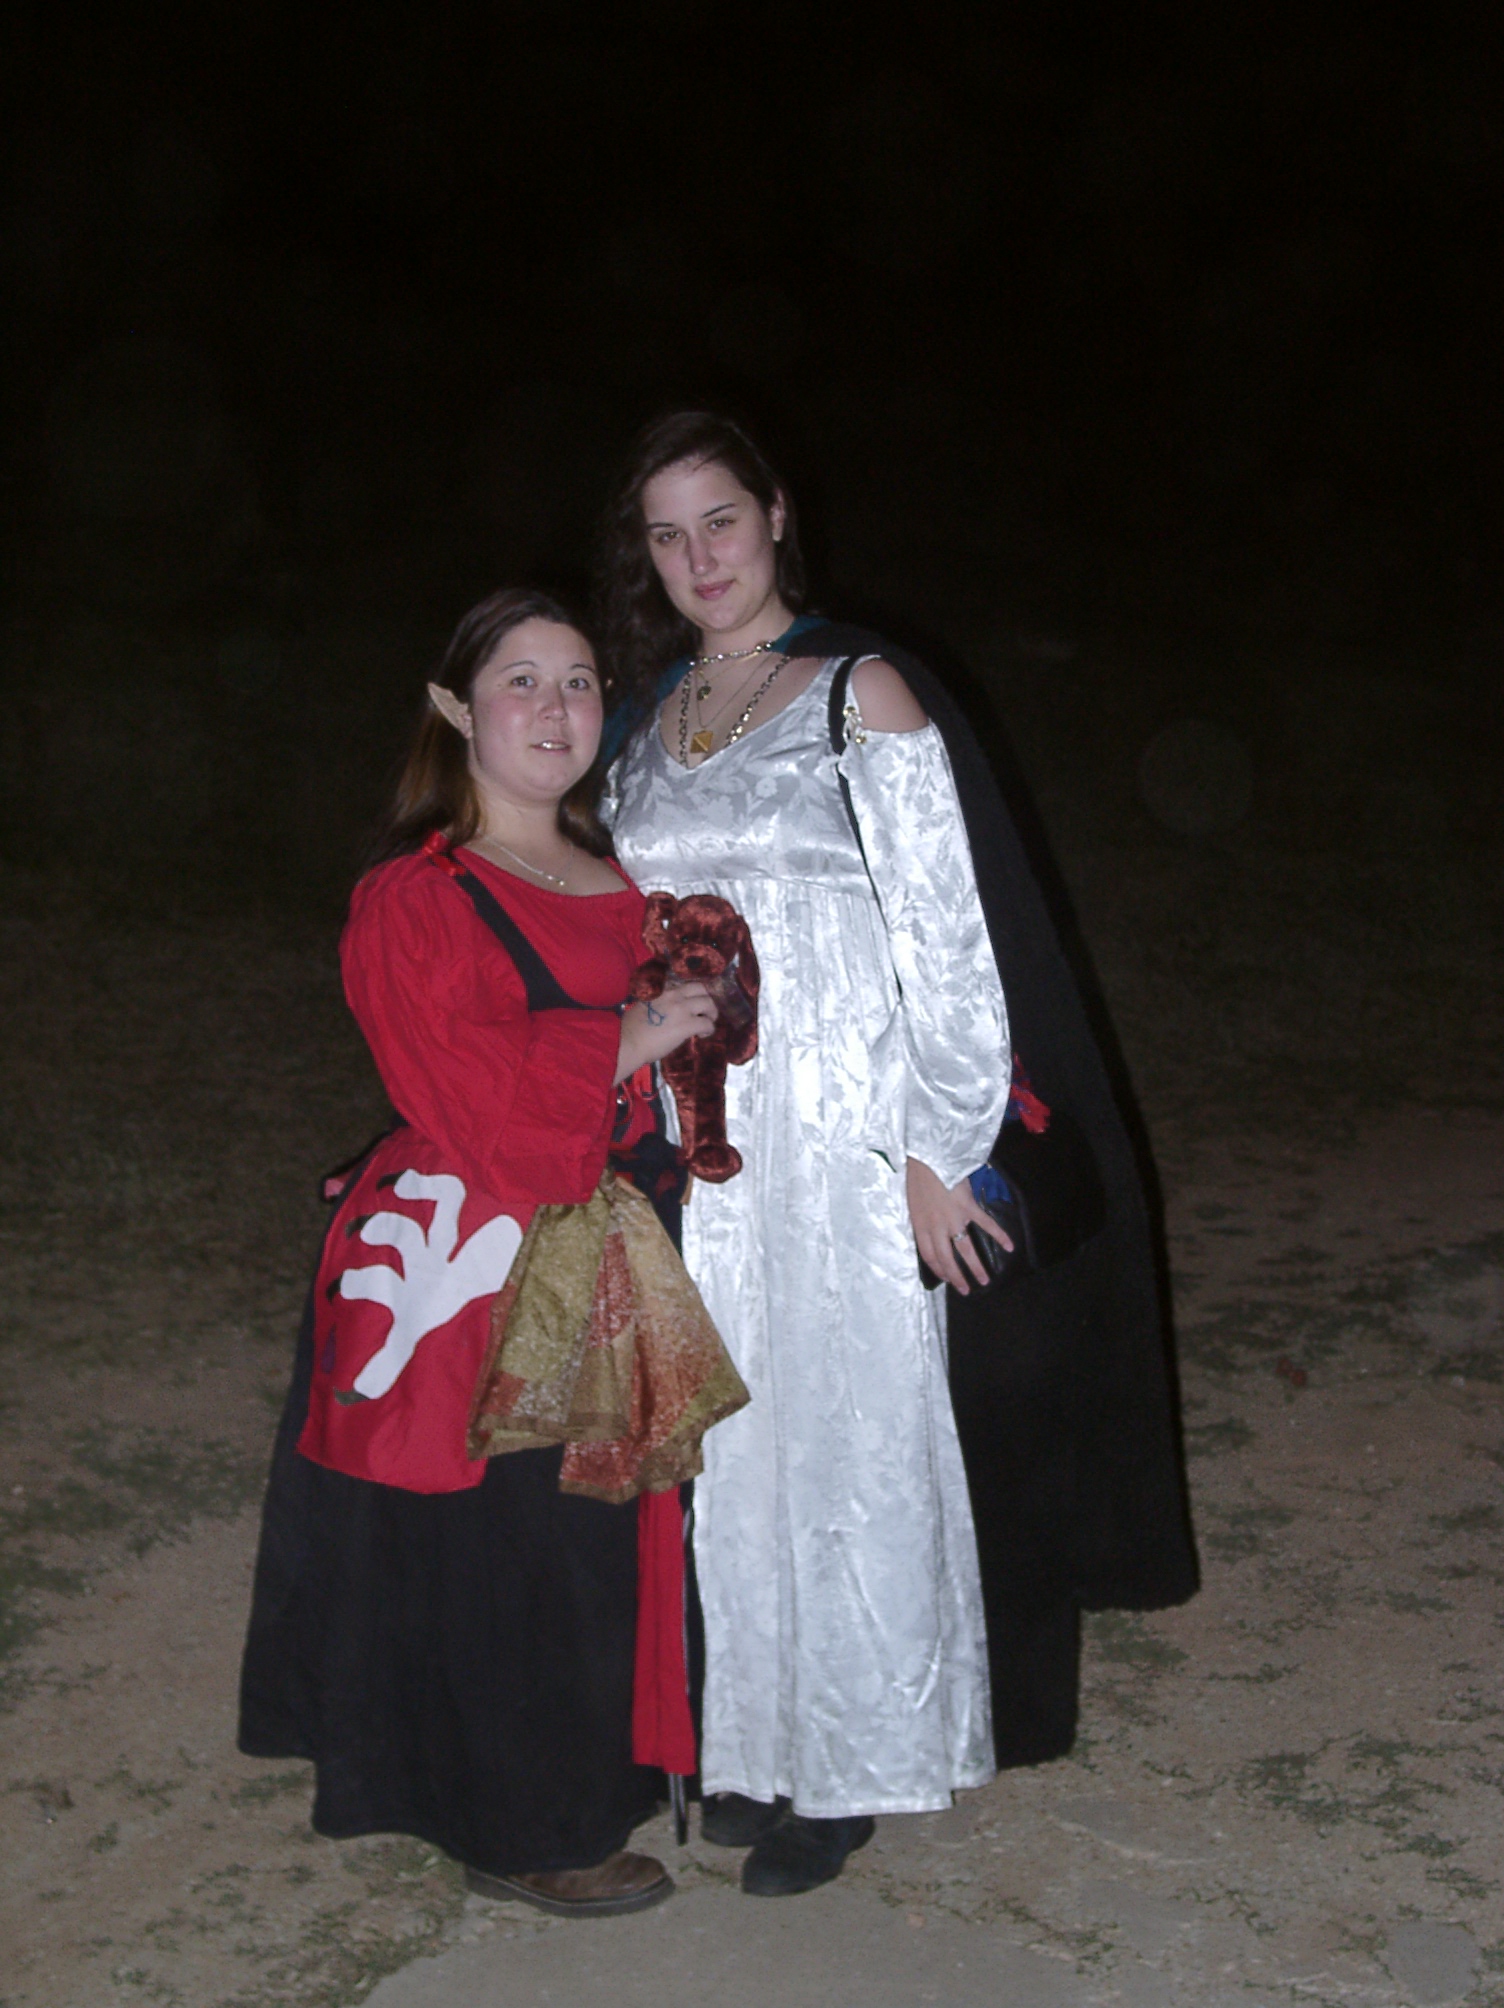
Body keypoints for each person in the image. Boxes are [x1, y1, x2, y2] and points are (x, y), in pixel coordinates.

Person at [597, 411, 1198, 1898]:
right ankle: (751, 1740)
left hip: (852, 1142)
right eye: (668, 535)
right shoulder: (652, 722)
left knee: (853, 1449)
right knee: (732, 1448)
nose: (699, 558)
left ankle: (855, 1760)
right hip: (707, 1150)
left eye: (720, 521)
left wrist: (942, 1152)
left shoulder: (859, 694)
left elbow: (950, 937)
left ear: (776, 515)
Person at [238, 589, 724, 1917]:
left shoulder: (633, 876)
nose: (557, 709)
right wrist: (624, 1040)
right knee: (525, 1547)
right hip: (488, 1264)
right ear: (456, 709)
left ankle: (628, 1766)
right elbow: (457, 1084)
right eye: (522, 681)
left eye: (579, 682)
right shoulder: (420, 894)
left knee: (619, 1527)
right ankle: (527, 1821)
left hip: (633, 1233)